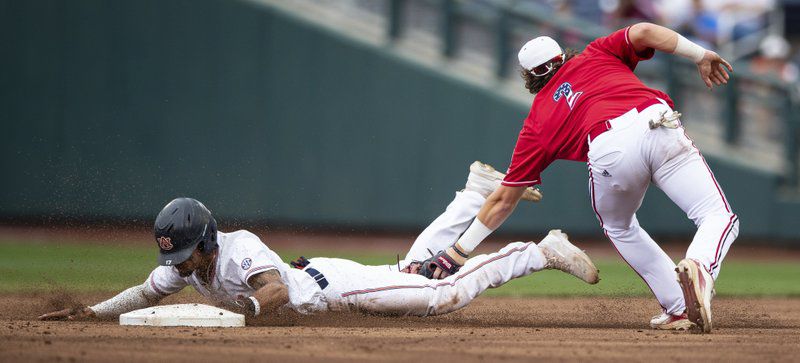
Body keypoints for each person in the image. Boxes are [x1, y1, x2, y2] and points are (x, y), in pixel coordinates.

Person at [419, 23, 738, 333]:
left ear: (529, 77)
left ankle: (680, 305)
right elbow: (644, 31)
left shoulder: (537, 122)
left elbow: (503, 200)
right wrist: (699, 54)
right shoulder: (597, 53)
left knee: (619, 226)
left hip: (608, 147)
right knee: (716, 215)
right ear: (562, 56)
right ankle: (700, 267)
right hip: (657, 121)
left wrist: (456, 252)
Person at [38, 162, 598, 322]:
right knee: (411, 271)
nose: (182, 266)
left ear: (207, 239)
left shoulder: (239, 248)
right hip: (325, 278)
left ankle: (537, 252)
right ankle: (471, 196)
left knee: (437, 296)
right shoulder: (184, 267)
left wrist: (235, 317)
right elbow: (145, 293)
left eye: (187, 254)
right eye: (176, 258)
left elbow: (275, 291)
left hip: (332, 288)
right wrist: (92, 313)